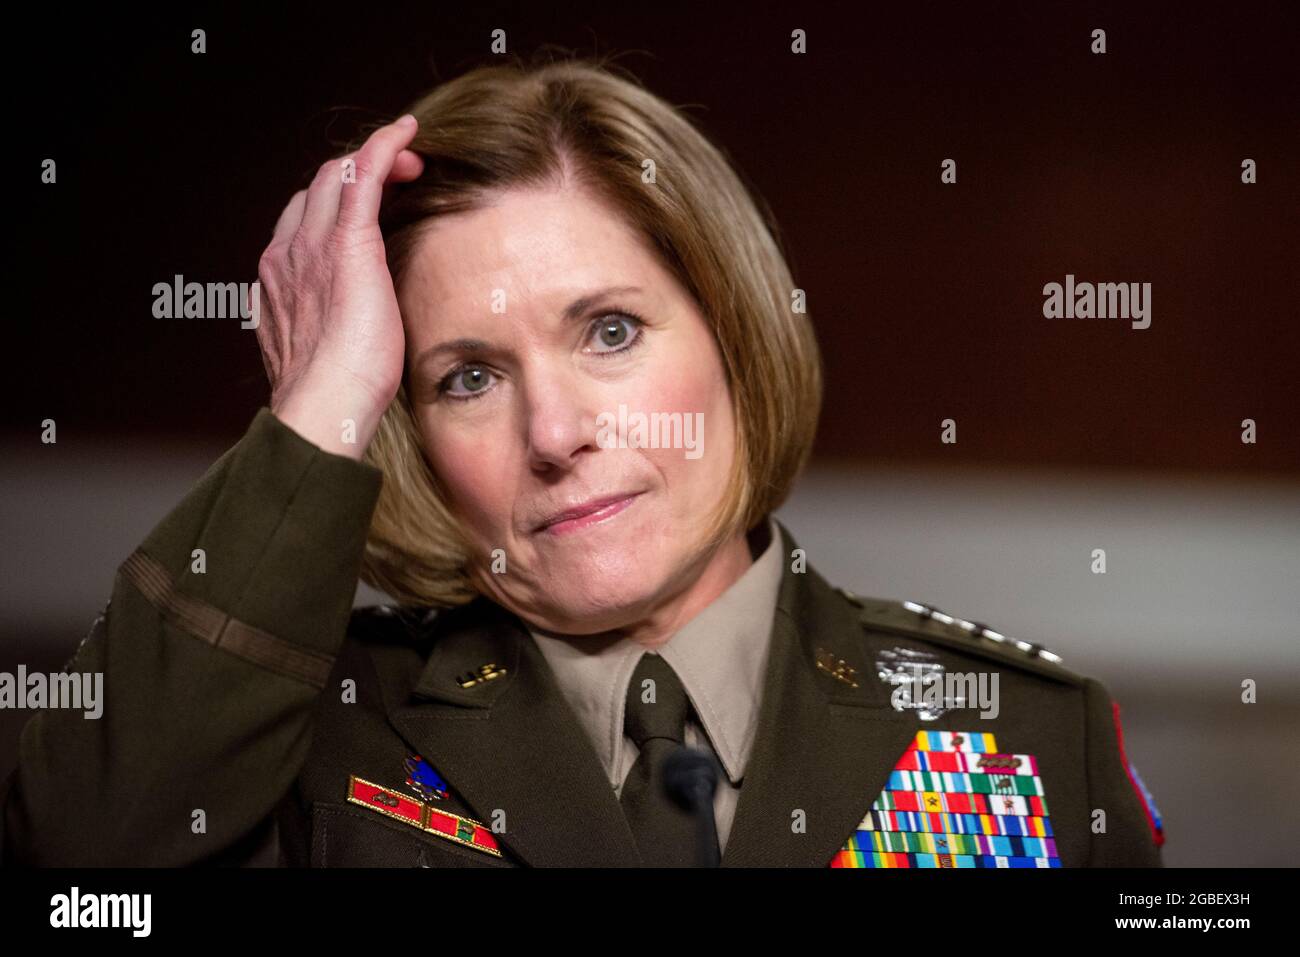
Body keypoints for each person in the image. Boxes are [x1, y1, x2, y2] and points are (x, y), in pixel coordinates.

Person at [0, 56, 1163, 868]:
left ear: (733, 334)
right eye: (468, 376)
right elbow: (84, 863)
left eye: (608, 330)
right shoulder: (312, 737)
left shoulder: (1024, 740)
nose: (555, 436)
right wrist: (316, 410)